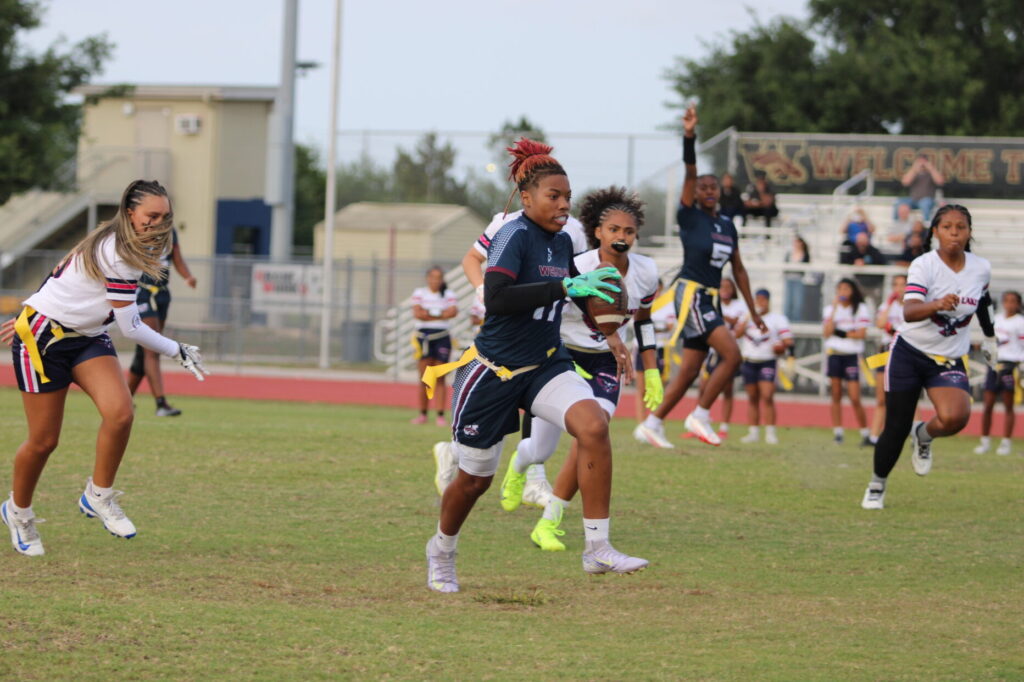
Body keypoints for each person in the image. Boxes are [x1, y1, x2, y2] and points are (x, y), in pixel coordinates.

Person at [423, 139, 647, 593]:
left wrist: (610, 330)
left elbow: (574, 296)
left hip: (547, 363)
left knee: (594, 427)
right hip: (496, 370)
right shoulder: (512, 234)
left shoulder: (563, 241)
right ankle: (442, 551)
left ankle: (597, 548)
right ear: (527, 198)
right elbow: (500, 300)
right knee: (473, 482)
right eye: (554, 196)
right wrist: (567, 284)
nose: (564, 205)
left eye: (567, 196)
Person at [0, 180, 207, 556]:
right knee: (45, 441)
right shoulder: (118, 250)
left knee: (121, 413)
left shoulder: (123, 240)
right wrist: (177, 349)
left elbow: (60, 273)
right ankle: (18, 511)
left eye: (166, 217)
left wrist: (26, 309)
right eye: (152, 216)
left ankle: (99, 495)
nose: (159, 224)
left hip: (87, 335)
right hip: (44, 339)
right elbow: (130, 327)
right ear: (130, 213)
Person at [501, 186, 661, 552]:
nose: (621, 237)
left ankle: (549, 521)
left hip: (607, 361)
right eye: (614, 230)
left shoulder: (647, 272)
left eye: (629, 231)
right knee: (539, 450)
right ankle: (519, 464)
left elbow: (646, 322)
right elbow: (551, 308)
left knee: (594, 433)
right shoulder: (578, 267)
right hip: (563, 357)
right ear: (598, 233)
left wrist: (651, 369)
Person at [633, 104, 765, 449]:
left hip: (711, 299)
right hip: (691, 294)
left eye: (712, 187)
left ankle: (652, 423)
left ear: (719, 193)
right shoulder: (690, 217)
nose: (707, 190)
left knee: (690, 370)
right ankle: (701, 415)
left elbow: (738, 270)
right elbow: (691, 171)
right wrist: (689, 136)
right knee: (732, 356)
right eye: (702, 187)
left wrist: (753, 311)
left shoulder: (726, 225)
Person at [862, 204, 994, 510]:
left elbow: (984, 301)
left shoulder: (980, 267)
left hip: (947, 358)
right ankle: (876, 485)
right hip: (909, 353)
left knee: (955, 417)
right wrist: (936, 304)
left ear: (969, 232)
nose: (954, 233)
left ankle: (923, 434)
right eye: (947, 227)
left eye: (960, 227)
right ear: (935, 231)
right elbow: (908, 312)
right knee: (895, 427)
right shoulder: (924, 264)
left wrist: (989, 336)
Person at [125, 227, 196, 416]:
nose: (158, 219)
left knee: (144, 352)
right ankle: (161, 404)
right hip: (142, 291)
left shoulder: (170, 232)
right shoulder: (136, 230)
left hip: (162, 293)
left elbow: (177, 258)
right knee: (152, 349)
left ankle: (123, 400)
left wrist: (188, 277)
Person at [737, 289, 793, 444]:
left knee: (767, 395)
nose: (760, 303)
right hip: (749, 360)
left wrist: (781, 347)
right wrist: (749, 316)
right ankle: (753, 431)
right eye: (757, 299)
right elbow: (737, 334)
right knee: (752, 397)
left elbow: (788, 341)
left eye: (763, 299)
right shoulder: (746, 317)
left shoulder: (777, 319)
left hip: (767, 360)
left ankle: (770, 432)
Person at [974, 291, 1024, 456]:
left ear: (1018, 304)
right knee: (988, 404)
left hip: (1010, 365)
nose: (1010, 304)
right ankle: (985, 440)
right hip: (994, 365)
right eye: (1007, 301)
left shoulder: (1020, 322)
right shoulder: (997, 318)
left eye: (1013, 301)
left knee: (1008, 404)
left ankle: (1006, 442)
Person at [823, 278, 872, 446]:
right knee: (835, 394)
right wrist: (835, 310)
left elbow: (861, 334)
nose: (843, 292)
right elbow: (827, 332)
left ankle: (865, 432)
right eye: (840, 289)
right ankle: (837, 432)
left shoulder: (860, 309)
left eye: (846, 289)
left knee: (854, 396)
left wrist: (842, 334)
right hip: (834, 355)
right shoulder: (830, 309)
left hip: (851, 356)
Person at [698, 277, 746, 438]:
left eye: (728, 286)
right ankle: (703, 420)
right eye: (722, 286)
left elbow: (740, 329)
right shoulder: (711, 302)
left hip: (729, 352)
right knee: (703, 387)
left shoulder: (740, 306)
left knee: (727, 389)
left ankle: (724, 427)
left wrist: (722, 319)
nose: (725, 289)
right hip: (712, 351)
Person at [410, 266, 459, 426]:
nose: (435, 280)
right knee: (424, 377)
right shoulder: (419, 293)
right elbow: (418, 314)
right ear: (427, 278)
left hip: (442, 337)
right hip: (423, 337)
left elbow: (452, 312)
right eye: (433, 277)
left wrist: (430, 314)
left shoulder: (449, 294)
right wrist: (439, 315)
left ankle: (440, 415)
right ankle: (422, 414)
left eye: (439, 277)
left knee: (439, 377)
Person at [869, 275, 907, 445]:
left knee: (908, 397)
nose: (899, 289)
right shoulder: (888, 305)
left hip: (904, 353)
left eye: (903, 285)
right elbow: (880, 323)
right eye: (896, 285)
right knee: (881, 398)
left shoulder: (914, 305)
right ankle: (874, 436)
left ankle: (915, 433)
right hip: (885, 352)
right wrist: (890, 302)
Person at [894, 155, 944, 222]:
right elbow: (905, 182)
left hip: (927, 199)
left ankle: (926, 225)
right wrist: (914, 169)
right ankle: (896, 224)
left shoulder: (931, 173)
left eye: (924, 163)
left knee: (925, 203)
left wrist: (931, 168)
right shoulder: (914, 173)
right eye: (919, 162)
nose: (922, 165)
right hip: (913, 200)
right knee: (898, 202)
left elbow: (940, 182)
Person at [783, 235, 811, 321]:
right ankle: (786, 321)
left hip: (798, 280)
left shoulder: (805, 254)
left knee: (797, 303)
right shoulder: (789, 253)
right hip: (789, 279)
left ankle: (796, 321)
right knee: (788, 302)